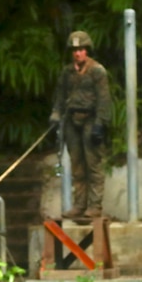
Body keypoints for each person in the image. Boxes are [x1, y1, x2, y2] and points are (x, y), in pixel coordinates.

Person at [49, 30, 113, 219]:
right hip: (72, 120)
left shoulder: (97, 71)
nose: (78, 53)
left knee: (93, 164)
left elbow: (104, 99)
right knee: (77, 165)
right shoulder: (67, 72)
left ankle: (94, 206)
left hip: (91, 119)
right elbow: (60, 96)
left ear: (87, 50)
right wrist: (56, 114)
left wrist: (100, 123)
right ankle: (79, 204)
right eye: (75, 50)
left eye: (81, 49)